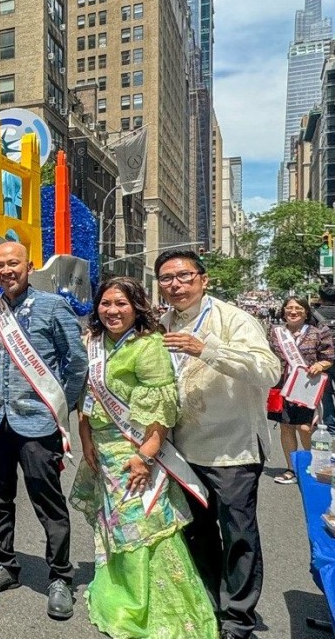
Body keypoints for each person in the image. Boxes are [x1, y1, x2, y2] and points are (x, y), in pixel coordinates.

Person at [70, 277, 217, 639]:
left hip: (135, 449)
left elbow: (161, 409)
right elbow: (85, 399)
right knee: (115, 524)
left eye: (121, 303)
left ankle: (146, 606)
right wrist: (86, 438)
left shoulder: (148, 345)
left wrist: (145, 456)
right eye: (105, 303)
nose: (112, 310)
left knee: (144, 525)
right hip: (103, 448)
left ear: (137, 306)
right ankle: (119, 589)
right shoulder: (93, 343)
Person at [155, 250, 281, 639]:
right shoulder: (163, 322)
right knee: (198, 532)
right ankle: (210, 603)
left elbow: (269, 370)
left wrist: (205, 349)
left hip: (232, 450)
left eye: (184, 276)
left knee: (238, 535)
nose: (175, 285)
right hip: (183, 452)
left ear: (204, 279)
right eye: (166, 278)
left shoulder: (234, 319)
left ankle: (238, 618)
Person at [0, 241, 87, 620]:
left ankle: (60, 577)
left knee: (48, 503)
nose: (6, 270)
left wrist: (59, 407)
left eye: (13, 263)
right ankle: (3, 565)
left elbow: (78, 362)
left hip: (37, 423)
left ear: (29, 266)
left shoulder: (53, 306)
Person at [268, 296, 333, 484]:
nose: (293, 312)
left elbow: (329, 356)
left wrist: (320, 365)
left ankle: (313, 463)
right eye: (289, 308)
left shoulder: (318, 332)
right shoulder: (275, 332)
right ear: (283, 311)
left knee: (305, 427)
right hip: (282, 386)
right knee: (286, 426)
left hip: (307, 387)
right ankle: (292, 469)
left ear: (306, 312)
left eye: (298, 308)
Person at [312, 284, 335, 434]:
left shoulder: (315, 314)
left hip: (324, 360)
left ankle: (330, 424)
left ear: (321, 297)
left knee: (326, 393)